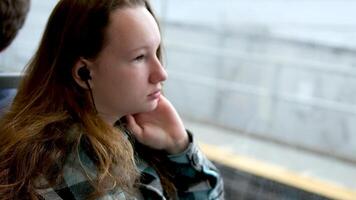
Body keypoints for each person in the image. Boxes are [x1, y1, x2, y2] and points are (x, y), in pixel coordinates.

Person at [0, 0, 224, 199]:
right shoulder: (80, 174)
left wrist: (178, 145)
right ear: (83, 73)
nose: (161, 74)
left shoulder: (120, 129)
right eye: (139, 57)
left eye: (156, 52)